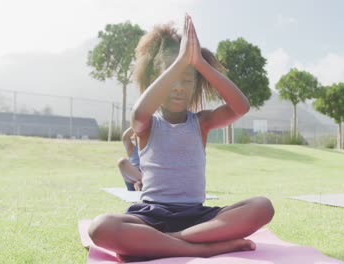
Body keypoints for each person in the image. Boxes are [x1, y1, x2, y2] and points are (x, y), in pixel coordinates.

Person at [88, 14, 274, 260]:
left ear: (195, 86)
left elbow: (241, 107)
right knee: (100, 227)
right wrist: (179, 63)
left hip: (198, 217)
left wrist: (198, 63)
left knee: (262, 207)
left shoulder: (202, 123)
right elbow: (139, 113)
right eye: (171, 81)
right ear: (158, 83)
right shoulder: (146, 125)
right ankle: (206, 247)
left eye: (186, 81)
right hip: (151, 217)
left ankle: (166, 243)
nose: (178, 87)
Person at [117, 127, 142, 191]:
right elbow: (126, 136)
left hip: (149, 176)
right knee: (122, 162)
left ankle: (143, 183)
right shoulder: (132, 148)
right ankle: (142, 182)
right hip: (134, 179)